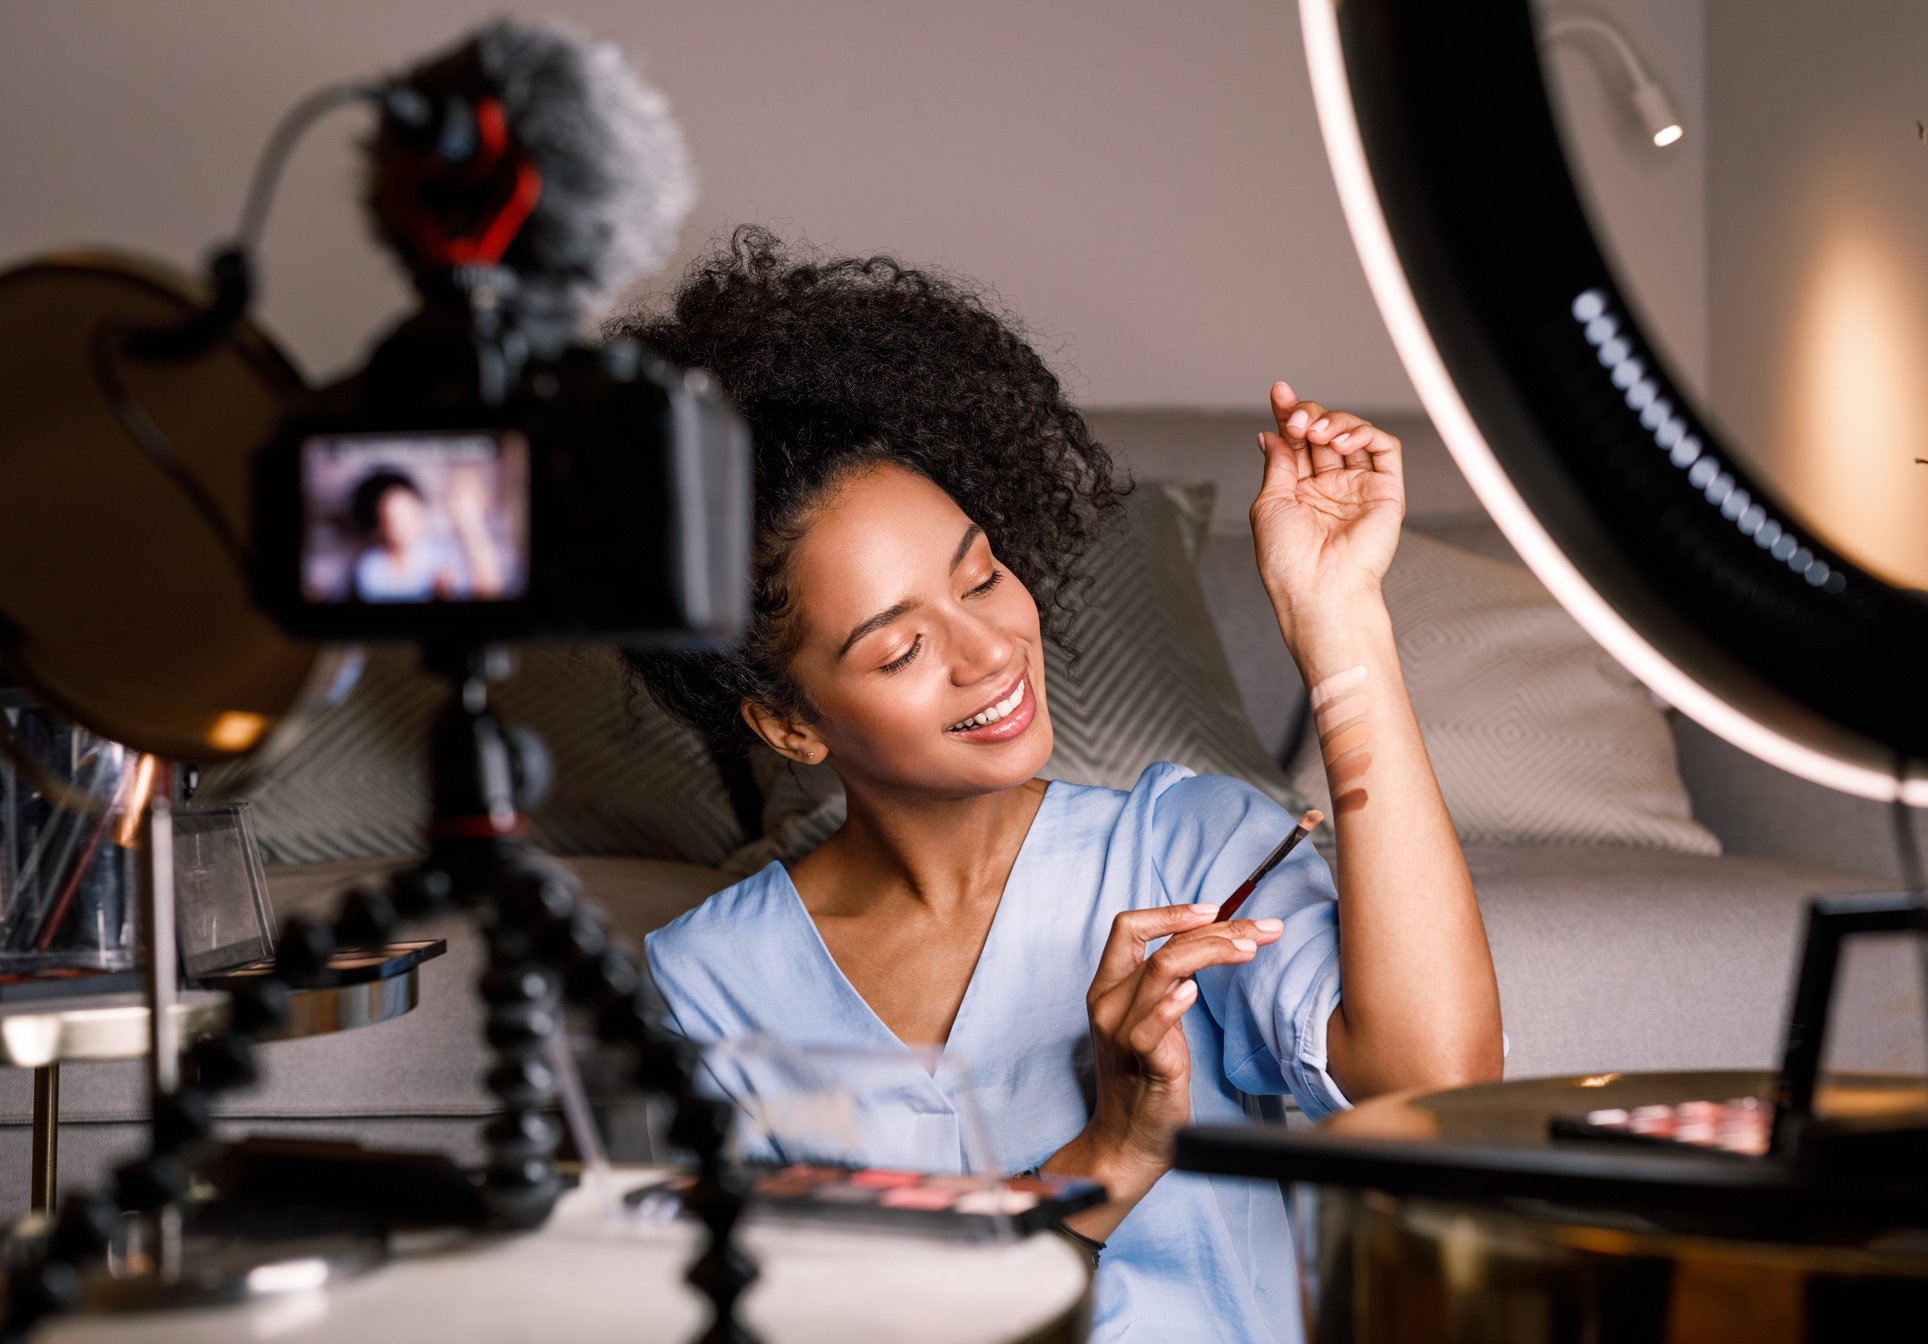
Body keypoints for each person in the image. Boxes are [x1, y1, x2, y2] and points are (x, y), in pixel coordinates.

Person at [624, 228, 1502, 1344]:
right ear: (789, 723)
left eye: (983, 576)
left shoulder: (1188, 851)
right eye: (898, 650)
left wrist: (1339, 623)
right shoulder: (715, 977)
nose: (989, 652)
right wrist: (1105, 1162)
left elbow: (1433, 1074)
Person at [349, 465, 508, 602]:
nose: (407, 524)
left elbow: (490, 591)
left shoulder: (445, 553)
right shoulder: (370, 566)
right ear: (379, 527)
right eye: (396, 519)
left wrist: (470, 521)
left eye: (411, 513)